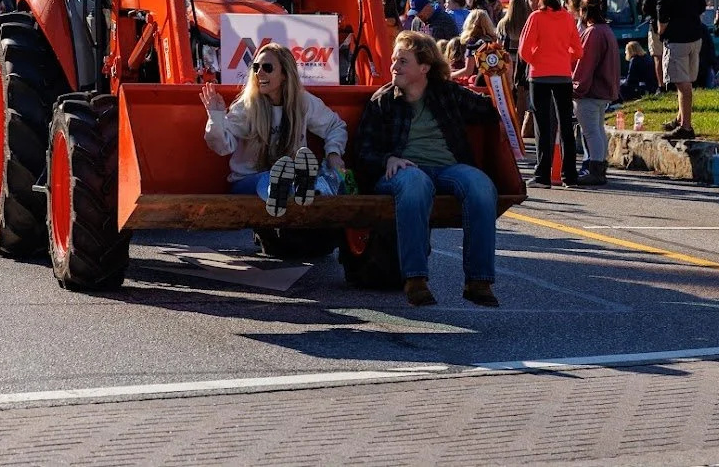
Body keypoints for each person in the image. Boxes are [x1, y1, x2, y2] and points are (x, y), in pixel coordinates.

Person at [355, 31, 503, 308]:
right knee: (415, 184)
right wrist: (387, 158)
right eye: (394, 60)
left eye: (403, 61)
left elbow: (488, 110)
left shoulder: (446, 93)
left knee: (481, 185)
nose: (394, 67)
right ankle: (415, 279)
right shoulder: (383, 100)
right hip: (404, 171)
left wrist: (495, 74)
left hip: (449, 167)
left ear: (424, 68)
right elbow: (364, 151)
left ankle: (478, 280)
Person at [199, 43, 347, 216]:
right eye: (256, 67)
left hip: (291, 176)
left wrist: (333, 153)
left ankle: (298, 190)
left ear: (284, 74)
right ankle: (287, 193)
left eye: (267, 68)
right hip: (247, 184)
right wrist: (216, 117)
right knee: (270, 178)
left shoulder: (303, 102)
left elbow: (335, 126)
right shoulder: (247, 107)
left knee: (316, 176)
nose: (259, 73)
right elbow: (223, 146)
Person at [519, 0, 583, 187]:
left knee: (543, 126)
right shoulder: (567, 18)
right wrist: (564, 57)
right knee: (565, 125)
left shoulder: (536, 17)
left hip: (540, 76)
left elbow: (524, 50)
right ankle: (570, 176)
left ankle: (542, 176)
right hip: (563, 75)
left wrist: (537, 59)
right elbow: (578, 51)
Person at [655, 0, 706, 139]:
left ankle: (686, 127)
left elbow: (662, 9)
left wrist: (661, 29)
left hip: (677, 38)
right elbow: (702, 6)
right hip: (695, 34)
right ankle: (679, 119)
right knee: (686, 80)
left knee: (682, 84)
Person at [572, 0, 619, 186]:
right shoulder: (606, 30)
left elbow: (586, 64)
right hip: (603, 89)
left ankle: (595, 170)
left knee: (591, 132)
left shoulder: (592, 33)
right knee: (598, 130)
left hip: (591, 91)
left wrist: (576, 87)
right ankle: (599, 167)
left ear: (584, 11)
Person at [451, 9, 499, 84]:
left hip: (479, 81)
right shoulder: (492, 40)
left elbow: (469, 70)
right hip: (495, 80)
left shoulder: (473, 43)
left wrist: (450, 75)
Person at [642, 0, 666, 90]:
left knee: (658, 56)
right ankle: (672, 83)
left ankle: (661, 85)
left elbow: (645, 8)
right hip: (673, 27)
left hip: (656, 26)